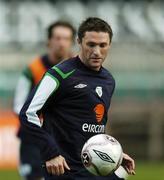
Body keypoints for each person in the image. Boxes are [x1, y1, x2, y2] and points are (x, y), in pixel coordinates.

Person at [19, 17, 135, 180]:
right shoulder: (58, 75)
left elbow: (93, 126)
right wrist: (50, 152)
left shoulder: (108, 80)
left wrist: (115, 154)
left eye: (102, 45)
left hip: (93, 167)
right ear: (79, 42)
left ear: (109, 44)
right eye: (91, 44)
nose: (96, 51)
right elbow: (28, 113)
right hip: (64, 169)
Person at [13, 20, 76, 180]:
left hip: (67, 138)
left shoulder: (79, 70)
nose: (61, 43)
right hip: (34, 138)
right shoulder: (33, 70)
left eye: (66, 38)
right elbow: (18, 106)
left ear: (73, 42)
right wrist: (39, 121)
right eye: (57, 38)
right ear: (49, 41)